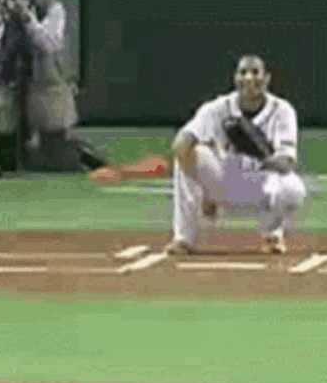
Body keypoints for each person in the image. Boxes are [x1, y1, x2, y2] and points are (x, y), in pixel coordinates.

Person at [90, 55, 308, 255]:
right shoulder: (217, 109)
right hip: (225, 182)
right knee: (190, 154)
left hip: (262, 185)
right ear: (235, 78)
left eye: (255, 72)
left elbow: (287, 162)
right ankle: (184, 238)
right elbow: (181, 144)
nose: (248, 78)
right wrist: (207, 191)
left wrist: (263, 156)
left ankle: (272, 235)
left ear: (266, 79)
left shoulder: (282, 111)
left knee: (293, 189)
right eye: (243, 72)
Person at [0, 0, 102, 172]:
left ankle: (85, 159)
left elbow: (51, 44)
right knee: (7, 149)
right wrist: (5, 24)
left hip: (45, 82)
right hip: (10, 82)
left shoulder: (50, 7)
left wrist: (29, 20)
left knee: (58, 152)